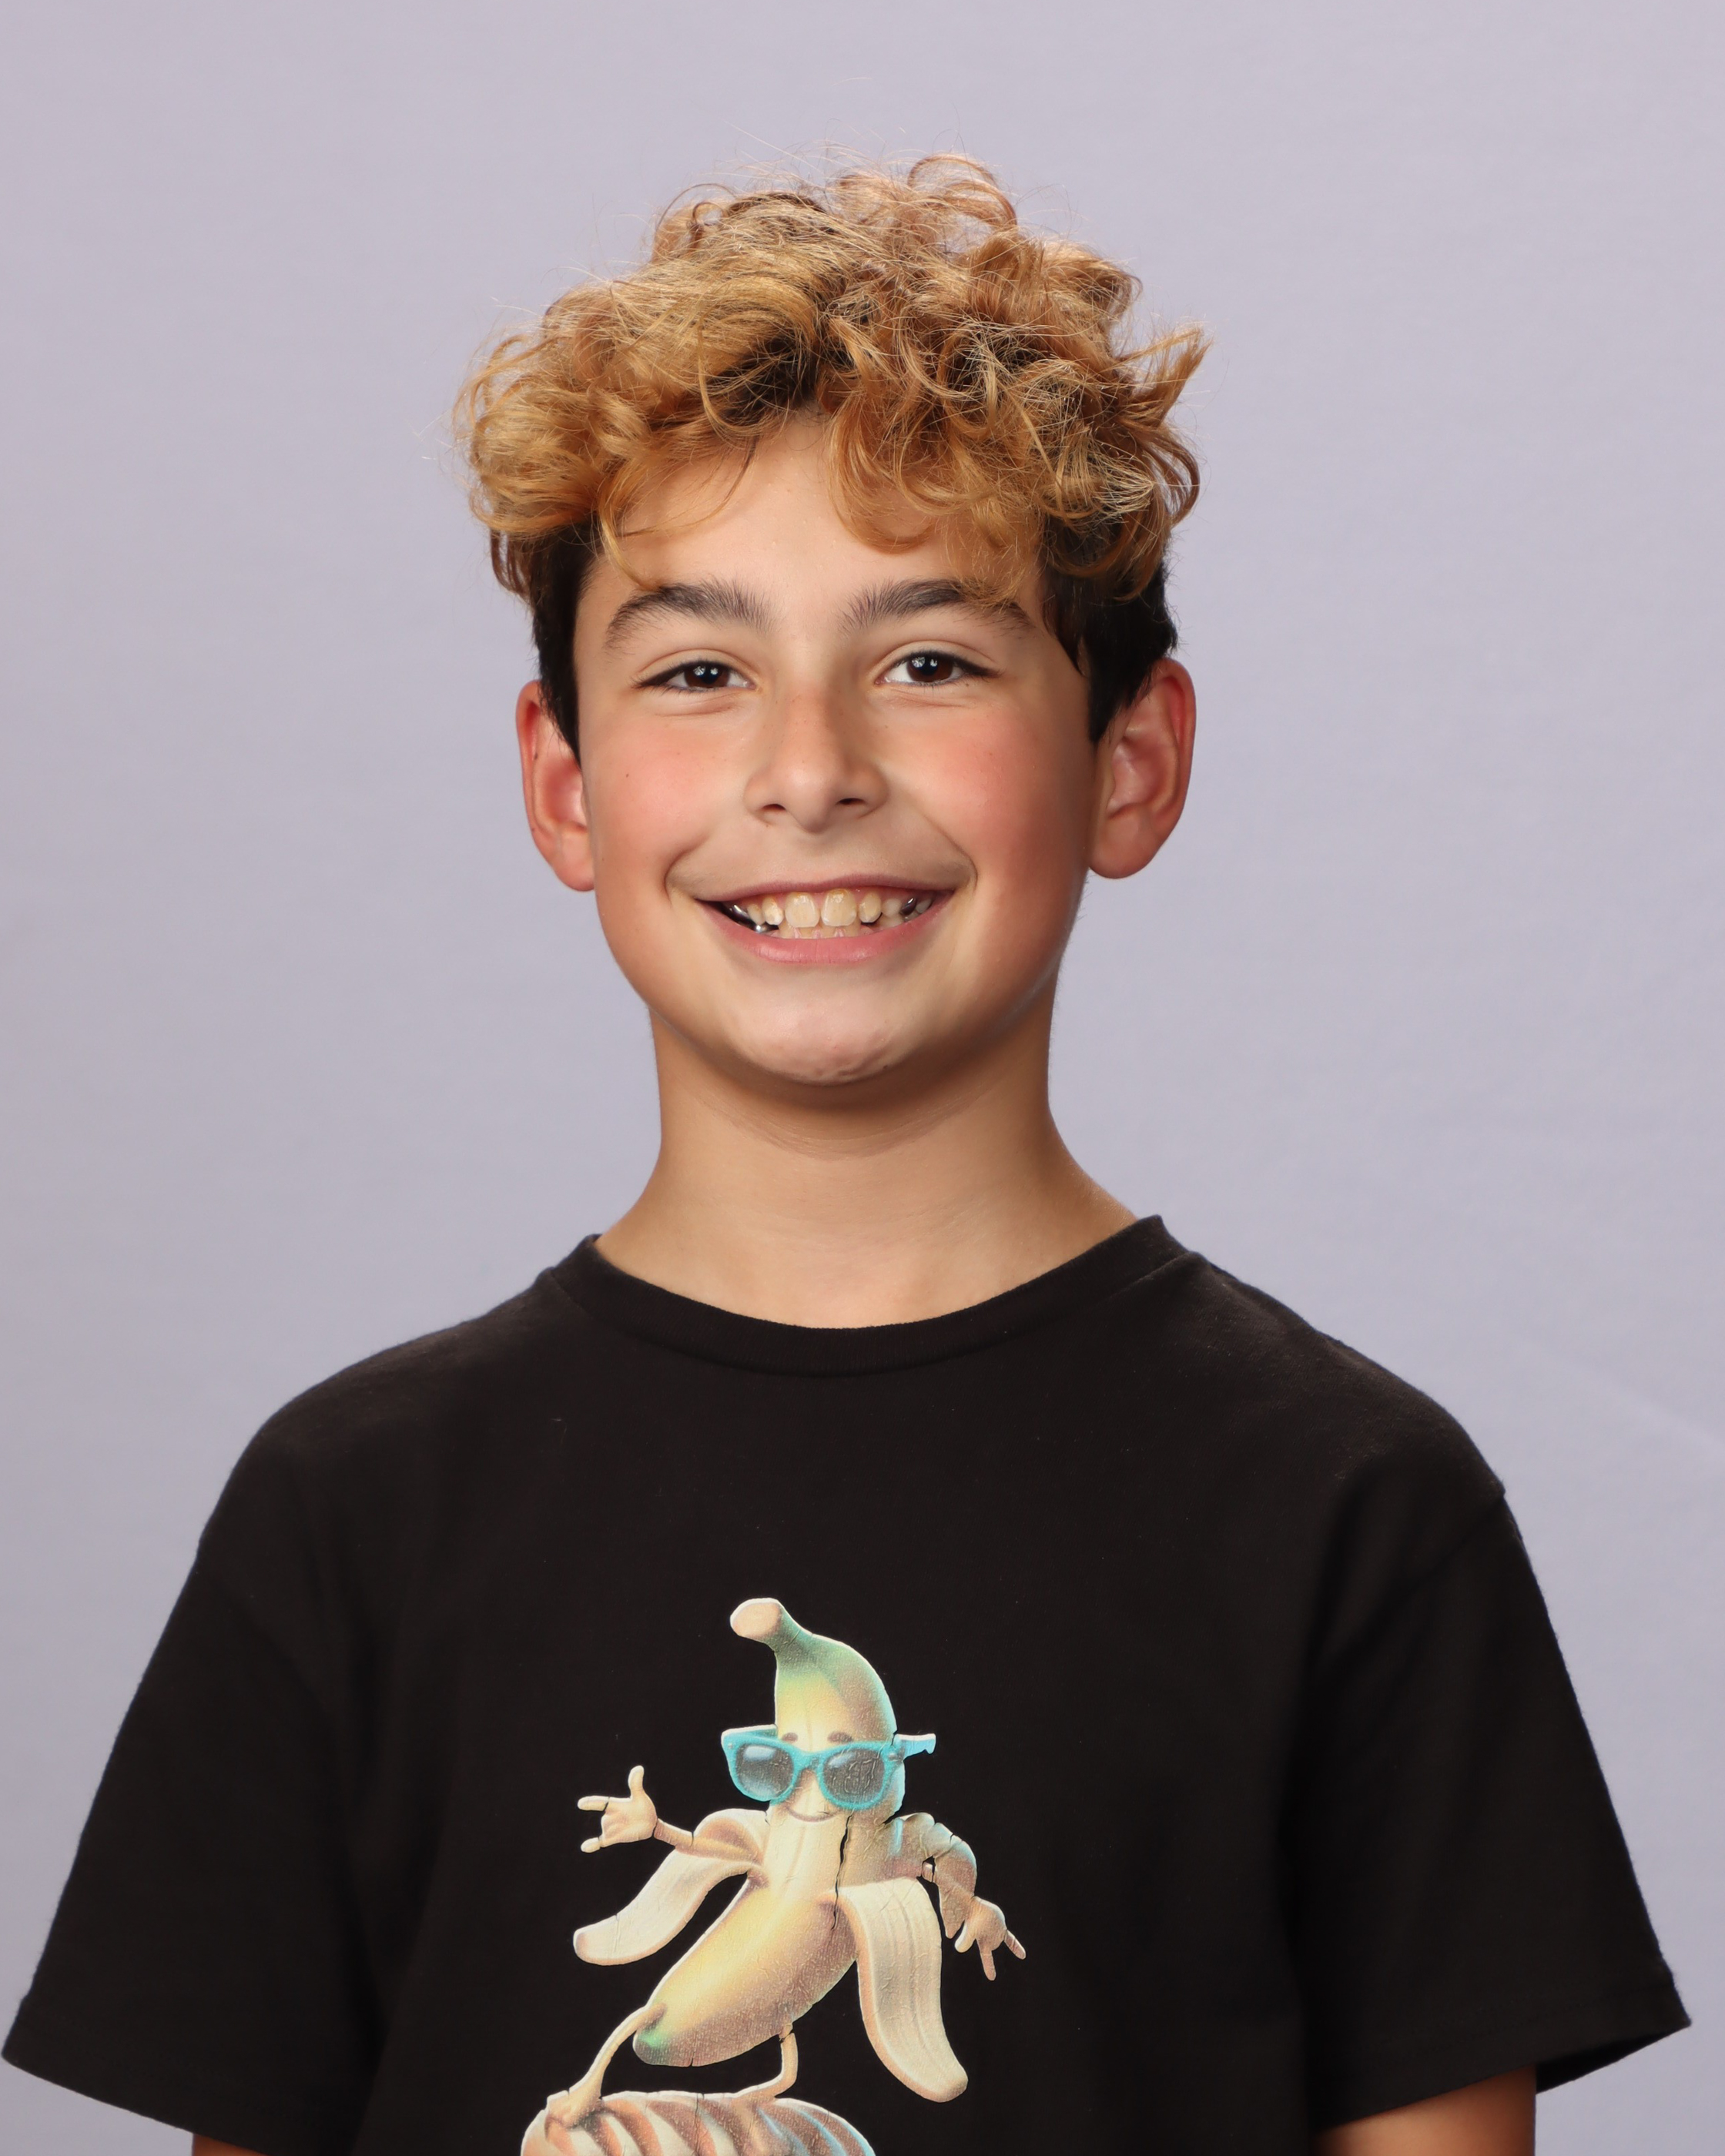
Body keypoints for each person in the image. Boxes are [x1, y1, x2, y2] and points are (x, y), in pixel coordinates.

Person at [4, 159, 1687, 2156]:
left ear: (1131, 759)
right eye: (699, 672)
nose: (809, 770)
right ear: (565, 786)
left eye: (931, 660)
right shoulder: (348, 1519)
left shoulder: (1356, 1514)